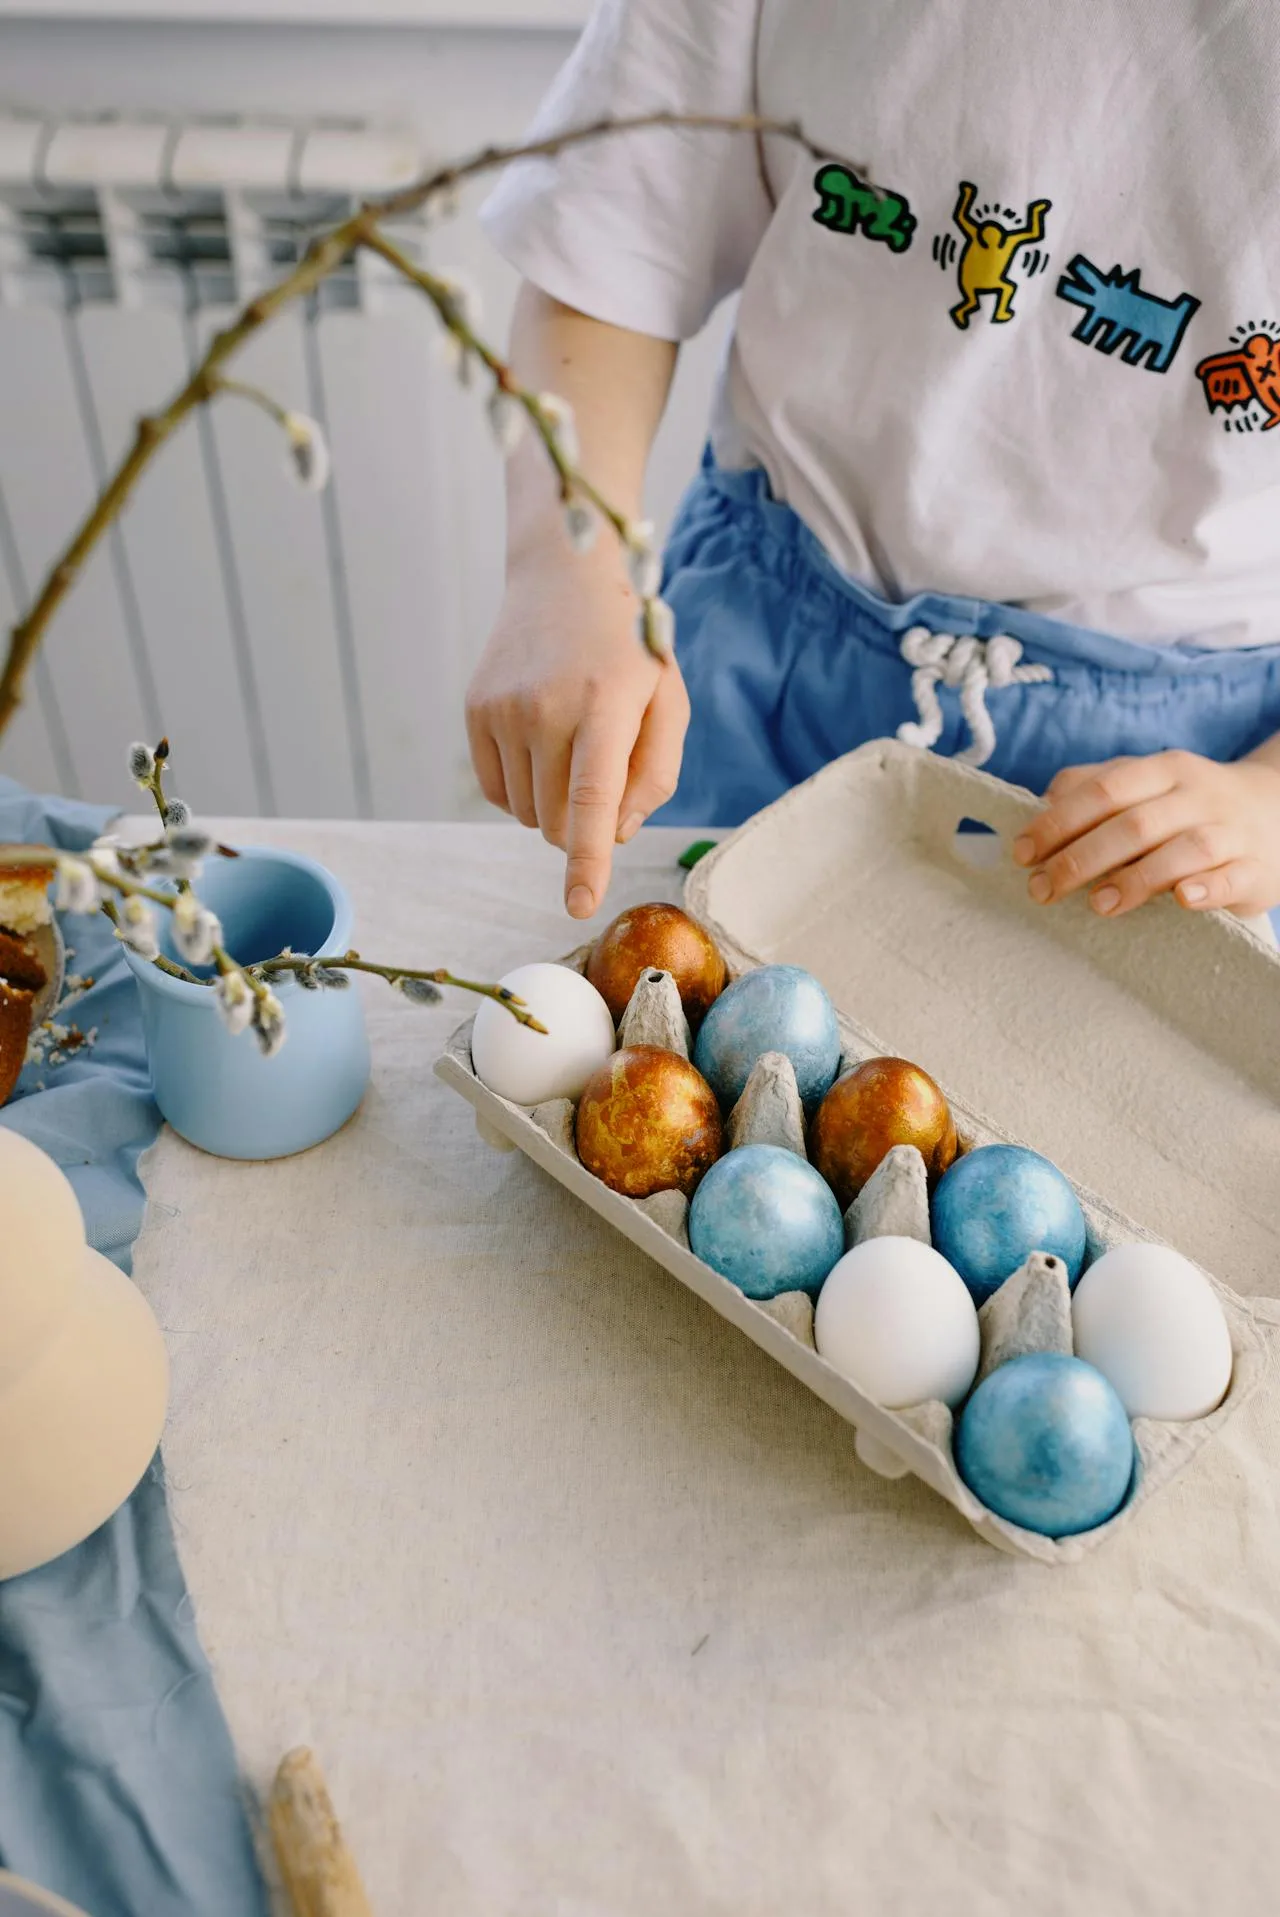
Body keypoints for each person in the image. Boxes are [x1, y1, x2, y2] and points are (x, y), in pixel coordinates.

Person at [466, 0, 1280, 937]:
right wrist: (563, 574)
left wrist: (1264, 798)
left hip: (1179, 794)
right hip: (759, 665)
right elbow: (603, 263)